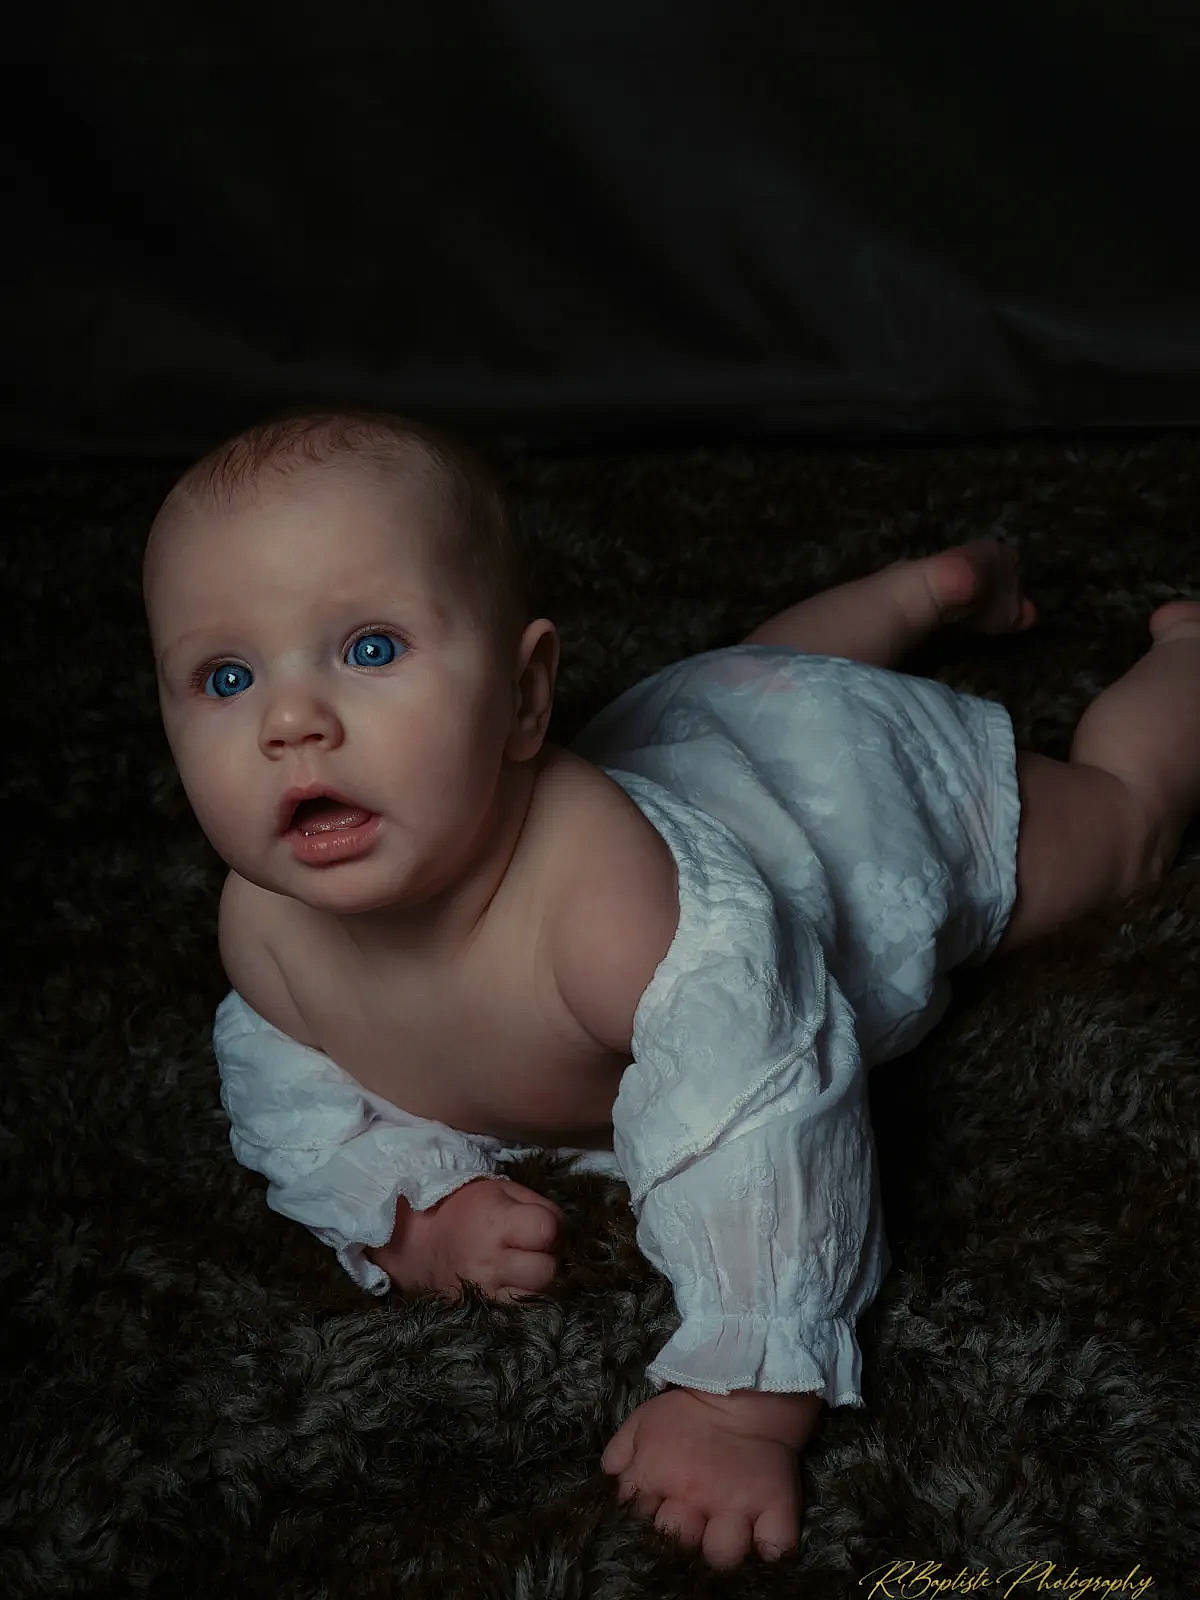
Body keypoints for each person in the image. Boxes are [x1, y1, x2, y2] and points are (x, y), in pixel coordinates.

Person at [142, 409, 1200, 1571]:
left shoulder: (612, 911)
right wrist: (409, 1212)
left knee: (1113, 831)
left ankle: (1180, 662)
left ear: (525, 699)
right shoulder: (266, 927)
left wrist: (739, 1404)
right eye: (226, 675)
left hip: (845, 794)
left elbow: (767, 1112)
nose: (292, 722)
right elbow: (288, 1075)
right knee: (736, 685)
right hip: (716, 720)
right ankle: (916, 594)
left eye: (373, 648)